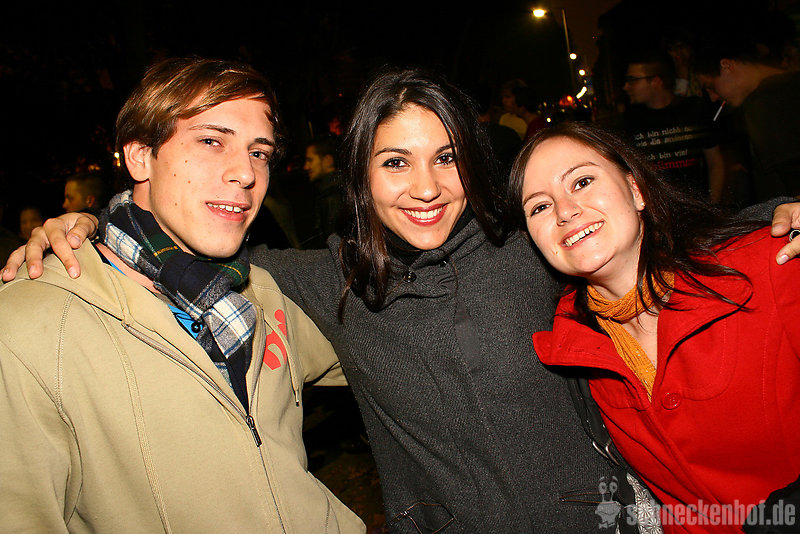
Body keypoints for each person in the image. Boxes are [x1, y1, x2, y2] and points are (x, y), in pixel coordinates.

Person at [7, 68, 800, 533]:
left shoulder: (529, 247)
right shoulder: (329, 281)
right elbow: (188, 242)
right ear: (361, 175)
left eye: (446, 158)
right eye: (394, 163)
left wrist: (780, 214)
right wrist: (89, 222)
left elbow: (661, 234)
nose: (425, 188)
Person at [0, 57, 364, 533]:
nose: (245, 173)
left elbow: (391, 351)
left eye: (259, 152)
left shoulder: (264, 294)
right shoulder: (31, 327)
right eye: (211, 141)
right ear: (139, 157)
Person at [510, 121, 800, 532]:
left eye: (583, 182)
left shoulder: (772, 266)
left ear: (636, 190)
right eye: (539, 206)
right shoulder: (570, 354)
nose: (565, 211)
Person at [694, 35, 800, 201]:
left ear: (726, 65)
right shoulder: (791, 84)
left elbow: (794, 172)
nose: (713, 97)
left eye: (710, 86)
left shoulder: (763, 102)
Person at [614, 53, 725, 202]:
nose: (626, 87)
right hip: (657, 210)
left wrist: (713, 203)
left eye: (632, 80)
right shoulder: (628, 122)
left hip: (697, 206)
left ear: (656, 81)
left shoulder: (695, 111)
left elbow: (715, 162)